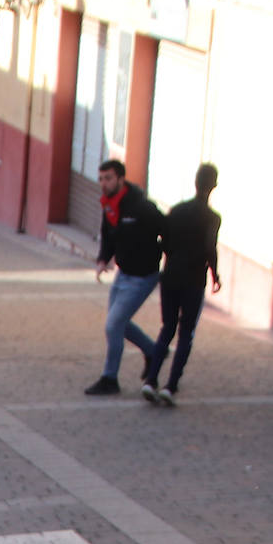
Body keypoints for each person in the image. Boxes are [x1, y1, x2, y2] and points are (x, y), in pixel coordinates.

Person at [142, 163, 222, 407]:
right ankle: (171, 385)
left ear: (195, 183)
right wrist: (215, 274)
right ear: (214, 186)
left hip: (171, 275)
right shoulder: (212, 218)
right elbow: (210, 248)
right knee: (186, 333)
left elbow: (163, 242)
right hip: (194, 280)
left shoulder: (176, 211)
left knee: (167, 328)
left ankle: (151, 378)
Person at [85, 158, 165, 395]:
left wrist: (163, 259)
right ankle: (153, 351)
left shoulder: (141, 207)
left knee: (113, 325)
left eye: (108, 178)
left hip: (143, 276)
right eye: (100, 178)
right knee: (118, 323)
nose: (103, 183)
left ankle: (110, 379)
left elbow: (165, 230)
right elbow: (108, 234)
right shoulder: (109, 205)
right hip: (123, 274)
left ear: (121, 179)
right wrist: (102, 259)